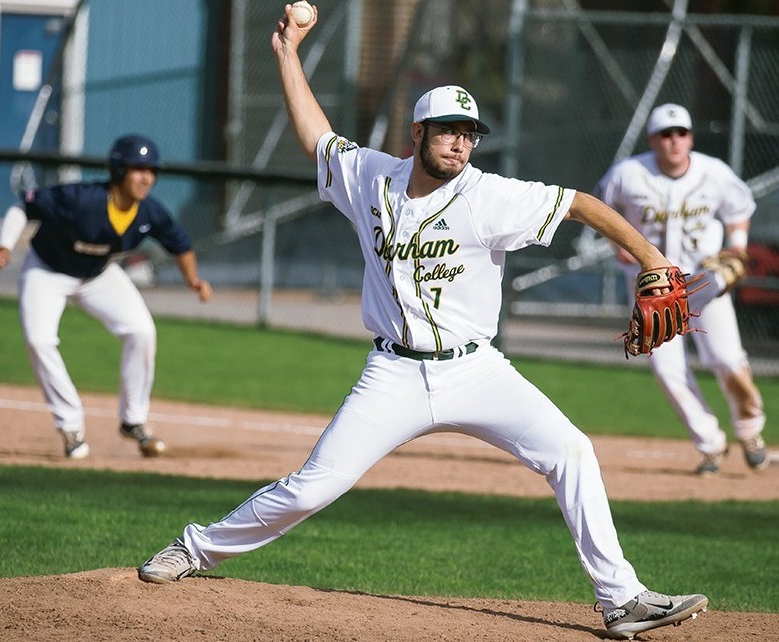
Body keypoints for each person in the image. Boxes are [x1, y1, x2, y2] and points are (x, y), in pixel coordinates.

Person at [137, 7, 708, 640]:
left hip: (477, 370)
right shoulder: (370, 178)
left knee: (572, 450)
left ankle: (621, 599)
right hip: (394, 373)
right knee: (311, 488)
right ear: (418, 133)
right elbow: (315, 136)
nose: (461, 143)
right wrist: (285, 53)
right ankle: (195, 548)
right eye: (448, 131)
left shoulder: (488, 194)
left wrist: (652, 258)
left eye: (470, 132)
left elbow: (580, 203)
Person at [0, 134, 213, 459]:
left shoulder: (149, 212)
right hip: (47, 270)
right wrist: (4, 246)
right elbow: (23, 206)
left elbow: (180, 244)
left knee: (142, 331)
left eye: (152, 171)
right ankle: (70, 425)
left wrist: (193, 279)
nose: (147, 177)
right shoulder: (80, 199)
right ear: (119, 170)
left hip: (98, 274)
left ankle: (133, 420)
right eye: (138, 169)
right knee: (39, 340)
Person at [595, 103, 768, 477]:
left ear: (690, 137)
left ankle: (750, 430)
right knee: (666, 368)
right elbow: (600, 208)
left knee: (725, 359)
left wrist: (737, 246)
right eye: (665, 134)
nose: (674, 141)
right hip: (653, 287)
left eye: (681, 133)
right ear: (652, 140)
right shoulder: (628, 174)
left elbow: (739, 209)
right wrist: (618, 245)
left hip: (705, 281)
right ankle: (710, 444)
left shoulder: (713, 173)